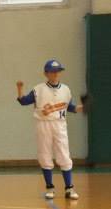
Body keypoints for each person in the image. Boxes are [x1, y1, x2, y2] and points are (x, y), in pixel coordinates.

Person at [16, 59, 85, 200]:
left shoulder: (66, 89)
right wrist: (20, 89)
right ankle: (50, 187)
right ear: (45, 73)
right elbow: (24, 101)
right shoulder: (38, 89)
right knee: (44, 154)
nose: (55, 74)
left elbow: (70, 107)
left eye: (58, 71)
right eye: (52, 71)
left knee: (64, 154)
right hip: (43, 124)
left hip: (60, 124)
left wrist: (82, 108)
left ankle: (69, 188)